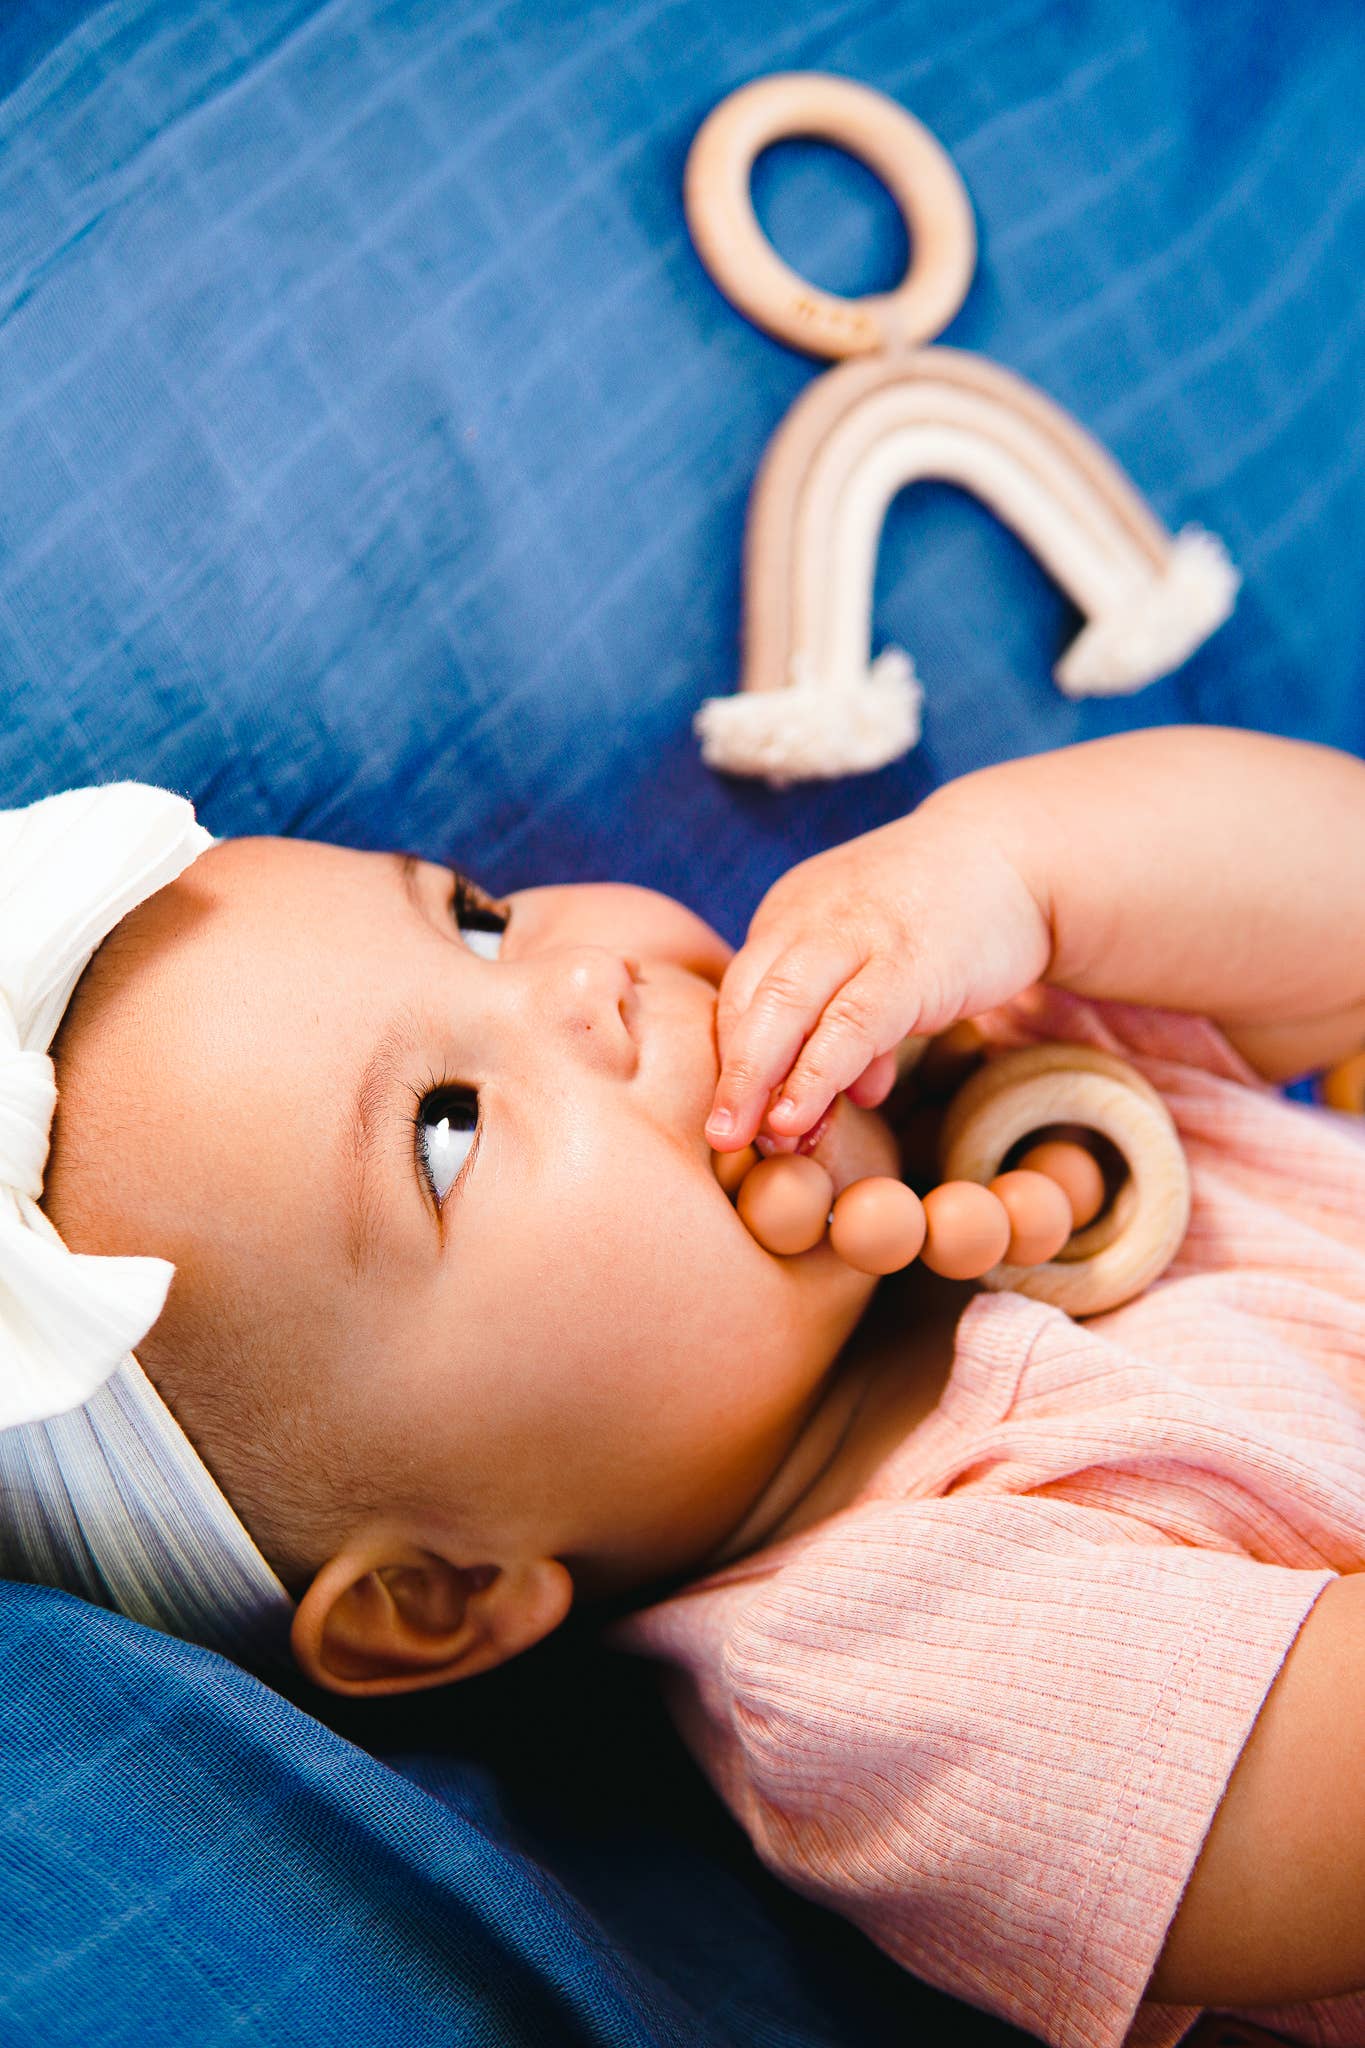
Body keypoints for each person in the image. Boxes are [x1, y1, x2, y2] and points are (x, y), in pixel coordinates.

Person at [5, 724, 1365, 2048]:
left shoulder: (996, 1061)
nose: (582, 982)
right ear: (439, 1594)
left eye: (477, 919)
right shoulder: (884, 1673)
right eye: (445, 1127)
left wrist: (1013, 874)